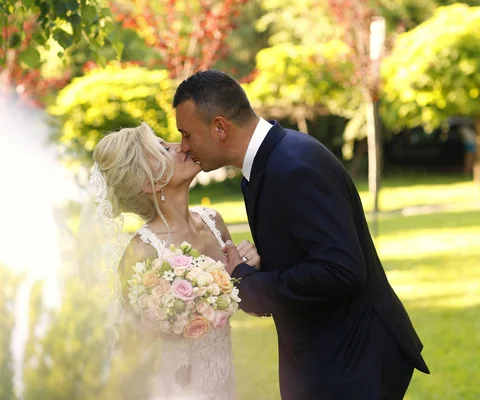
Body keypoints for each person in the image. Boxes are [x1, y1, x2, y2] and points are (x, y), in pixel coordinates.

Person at [173, 69, 430, 400]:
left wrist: (247, 283)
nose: (183, 146)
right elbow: (303, 254)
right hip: (324, 358)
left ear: (220, 127)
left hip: (352, 362)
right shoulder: (269, 163)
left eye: (187, 134)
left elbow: (341, 269)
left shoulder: (294, 167)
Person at [91, 122, 260, 399]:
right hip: (180, 388)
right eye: (163, 148)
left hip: (224, 382)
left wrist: (251, 269)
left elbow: (251, 305)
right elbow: (131, 348)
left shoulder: (213, 221)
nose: (180, 145)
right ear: (149, 182)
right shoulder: (142, 251)